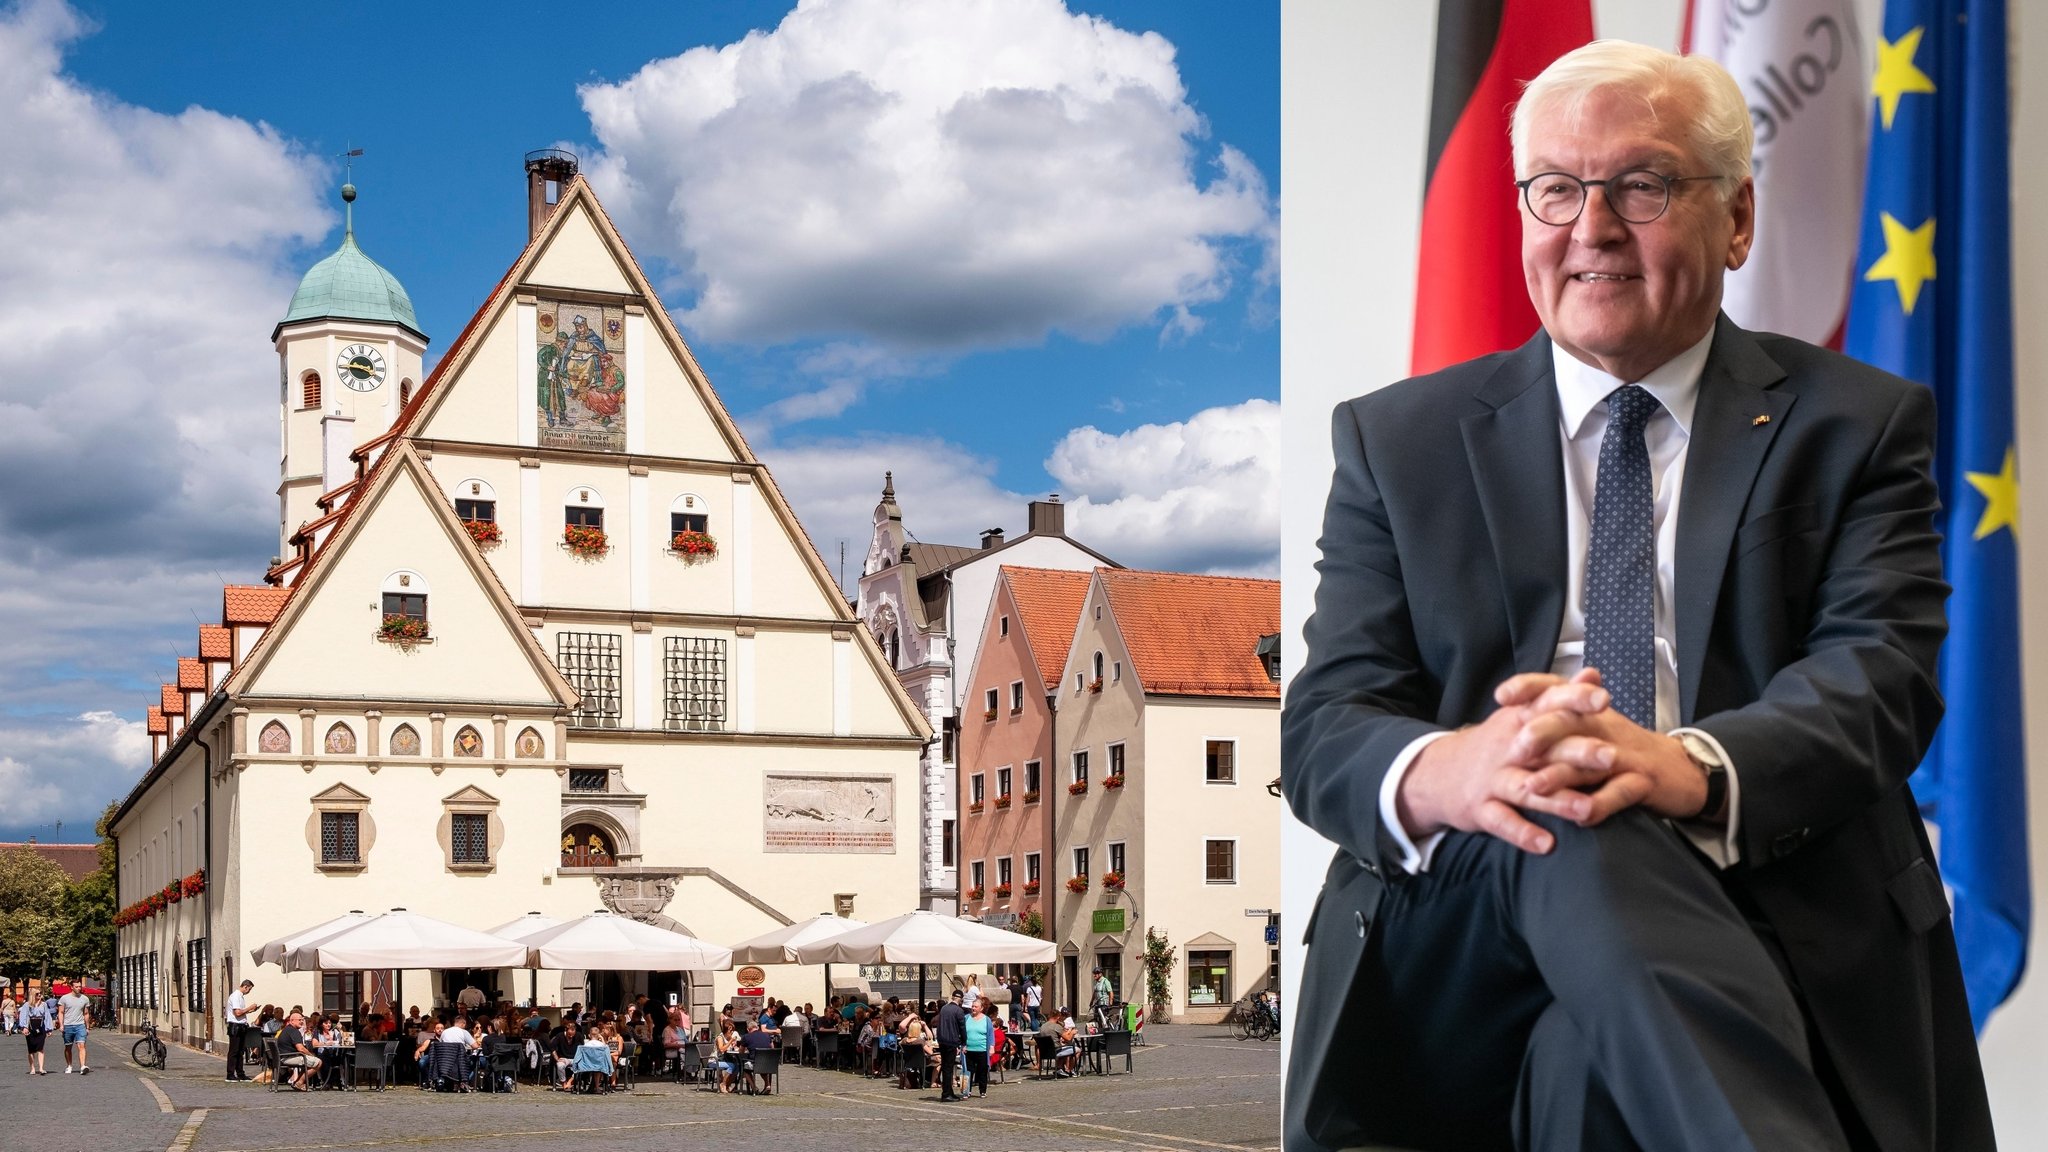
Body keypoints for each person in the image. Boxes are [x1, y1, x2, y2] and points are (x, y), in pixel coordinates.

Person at [1282, 39, 1993, 1152]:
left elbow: (1880, 678)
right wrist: (1462, 769)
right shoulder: (1395, 441)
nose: (1591, 228)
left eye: (1642, 186)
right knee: (1564, 805)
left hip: (1768, 897)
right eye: (1555, 190)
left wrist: (1678, 767)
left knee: (1586, 1031)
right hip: (1458, 931)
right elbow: (1326, 728)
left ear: (1738, 218)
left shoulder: (1854, 423)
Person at [933, 989, 967, 1101]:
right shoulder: (958, 1011)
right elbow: (962, 1028)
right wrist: (963, 1043)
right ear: (960, 999)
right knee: (948, 1068)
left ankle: (949, 1092)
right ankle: (946, 1094)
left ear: (952, 997)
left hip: (942, 1041)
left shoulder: (944, 1008)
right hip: (951, 1041)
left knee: (945, 1067)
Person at [275, 1010, 321, 1092]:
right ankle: (299, 1082)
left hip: (284, 1057)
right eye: (299, 1020)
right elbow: (301, 1048)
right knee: (318, 1062)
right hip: (289, 1057)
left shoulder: (287, 1029)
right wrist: (311, 1055)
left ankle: (297, 1082)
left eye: (302, 1020)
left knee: (309, 1061)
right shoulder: (294, 1031)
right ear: (292, 1021)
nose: (302, 1022)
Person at [56, 979, 91, 1074]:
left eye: (80, 986)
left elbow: (86, 1013)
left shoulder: (85, 999)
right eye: (76, 987)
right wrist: (61, 1025)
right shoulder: (64, 998)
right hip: (68, 1025)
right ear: (71, 987)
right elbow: (61, 1012)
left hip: (80, 1025)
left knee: (81, 1045)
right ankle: (69, 1065)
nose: (79, 988)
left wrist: (87, 1027)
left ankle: (83, 1066)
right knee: (68, 1047)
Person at [962, 996, 993, 1099]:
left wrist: (991, 1047)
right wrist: (963, 1045)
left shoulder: (986, 1020)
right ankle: (967, 1091)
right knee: (968, 1071)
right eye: (972, 1006)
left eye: (975, 1007)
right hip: (969, 1050)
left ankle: (982, 1091)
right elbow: (962, 1033)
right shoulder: (966, 1018)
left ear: (981, 1008)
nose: (973, 1008)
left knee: (982, 1071)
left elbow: (990, 1034)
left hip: (982, 1049)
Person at [20, 989, 54, 1074]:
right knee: (31, 1048)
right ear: (32, 995)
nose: (39, 995)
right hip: (31, 1025)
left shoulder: (44, 1004)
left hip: (41, 1025)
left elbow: (47, 1016)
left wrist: (49, 1029)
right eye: (37, 994)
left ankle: (41, 1068)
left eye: (40, 994)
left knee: (40, 1048)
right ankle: (32, 1068)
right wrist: (24, 1027)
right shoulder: (27, 1005)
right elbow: (23, 1015)